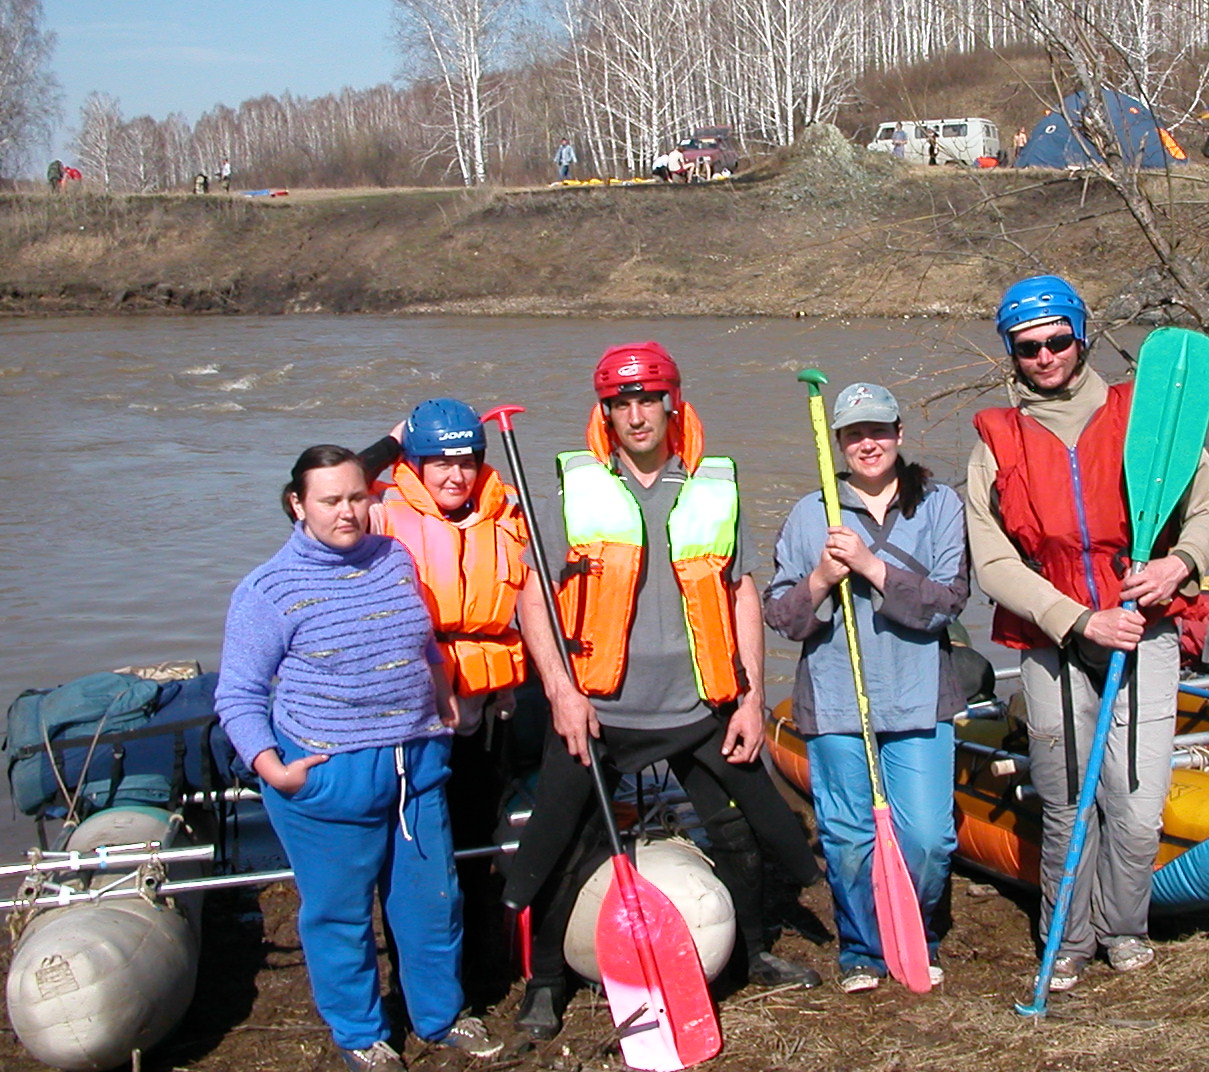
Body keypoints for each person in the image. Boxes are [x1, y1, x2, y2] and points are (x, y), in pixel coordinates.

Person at [501, 341, 823, 1038]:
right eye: (623, 402)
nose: (637, 414)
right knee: (566, 845)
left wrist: (747, 696)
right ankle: (547, 985)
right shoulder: (574, 486)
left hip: (698, 704)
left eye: (650, 399)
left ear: (673, 404)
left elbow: (739, 593)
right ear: (606, 412)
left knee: (743, 832)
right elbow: (534, 598)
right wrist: (559, 689)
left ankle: (755, 950)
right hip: (599, 709)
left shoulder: (712, 483)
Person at [965, 275, 1209, 994]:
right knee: (1065, 802)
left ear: (1081, 337)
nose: (1045, 356)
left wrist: (1180, 564)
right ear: (1012, 354)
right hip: (1054, 644)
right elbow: (992, 562)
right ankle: (1070, 940)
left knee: (1137, 803)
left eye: (1058, 340)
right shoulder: (996, 441)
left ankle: (1125, 929)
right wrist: (1078, 618)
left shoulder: (1140, 415)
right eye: (1029, 347)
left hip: (1144, 634)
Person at [216, 445, 502, 1072]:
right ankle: (360, 1035)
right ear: (298, 505)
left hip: (415, 773)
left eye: (356, 496)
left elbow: (422, 642)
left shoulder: (393, 558)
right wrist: (273, 768)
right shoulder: (267, 590)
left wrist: (442, 691)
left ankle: (442, 1018)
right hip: (324, 781)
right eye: (330, 500)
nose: (347, 512)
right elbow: (237, 694)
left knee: (432, 907)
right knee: (340, 921)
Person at [763, 382, 967, 993]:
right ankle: (862, 950)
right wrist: (822, 579)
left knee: (929, 838)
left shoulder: (939, 506)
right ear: (839, 446)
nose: (868, 443)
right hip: (835, 700)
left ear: (899, 435)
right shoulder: (810, 513)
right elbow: (782, 615)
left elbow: (949, 602)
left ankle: (918, 933)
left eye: (878, 430)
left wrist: (874, 568)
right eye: (854, 434)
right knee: (848, 838)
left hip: (918, 698)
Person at [361, 400, 531, 965]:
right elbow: (306, 499)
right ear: (415, 464)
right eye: (438, 463)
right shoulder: (380, 512)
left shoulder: (506, 508)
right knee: (417, 840)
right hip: (413, 706)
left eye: (465, 461)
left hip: (486, 700)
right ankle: (418, 950)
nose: (455, 475)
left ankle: (481, 942)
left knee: (477, 823)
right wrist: (386, 445)